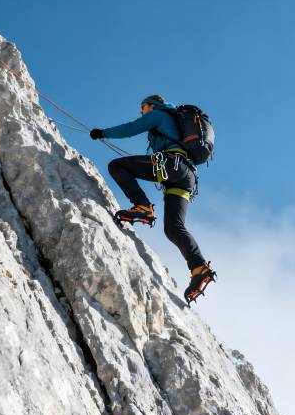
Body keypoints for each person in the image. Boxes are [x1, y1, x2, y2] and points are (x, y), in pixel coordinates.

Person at [90, 95, 216, 304]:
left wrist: (103, 133)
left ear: (152, 105)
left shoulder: (159, 114)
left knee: (117, 166)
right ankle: (199, 268)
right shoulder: (174, 120)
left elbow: (131, 128)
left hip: (171, 164)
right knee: (174, 228)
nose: (141, 112)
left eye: (143, 108)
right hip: (186, 176)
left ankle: (143, 207)